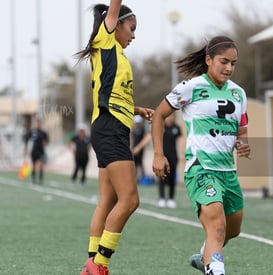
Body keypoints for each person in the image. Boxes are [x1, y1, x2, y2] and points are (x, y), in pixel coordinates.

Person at [151, 35, 251, 275]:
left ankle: (204, 256)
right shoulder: (190, 87)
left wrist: (243, 144)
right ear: (208, 59)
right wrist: (158, 154)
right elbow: (158, 115)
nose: (229, 68)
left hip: (228, 172)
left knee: (232, 229)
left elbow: (242, 131)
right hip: (201, 169)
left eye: (233, 63)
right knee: (217, 227)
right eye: (223, 62)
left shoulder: (239, 94)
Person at [74, 1, 154, 274]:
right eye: (131, 28)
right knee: (130, 200)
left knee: (107, 201)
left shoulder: (116, 54)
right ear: (115, 24)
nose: (133, 34)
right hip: (109, 129)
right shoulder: (106, 40)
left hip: (110, 127)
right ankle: (99, 264)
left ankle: (90, 265)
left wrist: (138, 109)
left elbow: (111, 95)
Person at [157, 114, 182, 208]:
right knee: (162, 178)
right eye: (168, 116)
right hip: (162, 157)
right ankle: (161, 198)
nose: (169, 118)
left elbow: (181, 140)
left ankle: (171, 198)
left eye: (171, 116)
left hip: (173, 157)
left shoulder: (176, 128)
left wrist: (183, 153)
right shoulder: (161, 127)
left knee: (172, 179)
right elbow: (150, 137)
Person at [24, 117, 49, 185]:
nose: (38, 124)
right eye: (37, 123)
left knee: (41, 165)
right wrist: (26, 149)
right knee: (34, 166)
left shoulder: (43, 133)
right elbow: (26, 140)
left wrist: (45, 144)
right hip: (33, 151)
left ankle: (40, 180)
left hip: (41, 151)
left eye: (39, 123)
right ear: (35, 124)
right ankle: (34, 180)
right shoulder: (32, 132)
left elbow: (47, 140)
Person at [131, 115, 151, 183]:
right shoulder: (134, 130)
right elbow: (133, 140)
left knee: (140, 163)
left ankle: (143, 177)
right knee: (134, 164)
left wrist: (139, 148)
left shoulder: (142, 130)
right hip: (134, 150)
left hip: (140, 150)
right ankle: (135, 178)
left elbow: (145, 139)